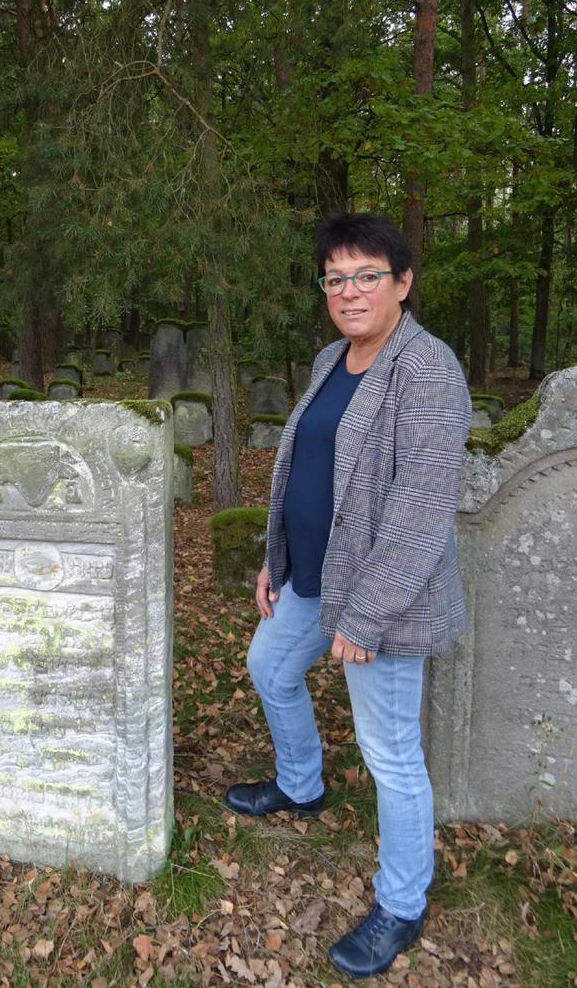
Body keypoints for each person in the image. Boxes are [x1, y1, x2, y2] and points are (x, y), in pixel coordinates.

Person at [226, 213, 471, 979]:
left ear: (403, 283)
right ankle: (301, 785)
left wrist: (367, 618)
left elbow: (419, 510)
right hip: (309, 575)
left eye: (368, 275)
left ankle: (401, 905)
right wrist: (279, 557)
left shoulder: (427, 371)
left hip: (382, 598)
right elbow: (304, 468)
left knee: (391, 756)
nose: (349, 290)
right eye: (335, 277)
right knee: (270, 667)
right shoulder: (333, 357)